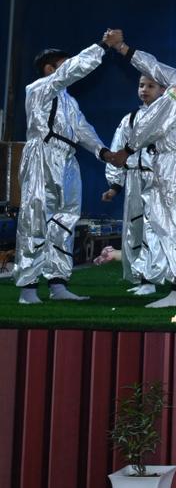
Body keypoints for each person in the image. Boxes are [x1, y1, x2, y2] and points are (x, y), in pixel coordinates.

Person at [103, 30, 176, 309]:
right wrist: (123, 48)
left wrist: (127, 151)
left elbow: (154, 121)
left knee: (172, 223)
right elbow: (155, 68)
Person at [14, 40, 120, 304]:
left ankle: (58, 284)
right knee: (35, 219)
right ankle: (28, 289)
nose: (70, 68)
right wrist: (102, 46)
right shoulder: (39, 88)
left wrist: (103, 152)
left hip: (68, 160)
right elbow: (73, 70)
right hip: (43, 154)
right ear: (50, 69)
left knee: (65, 221)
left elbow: (82, 129)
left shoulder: (69, 101)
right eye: (64, 65)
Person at [102, 74, 163, 293]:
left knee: (152, 227)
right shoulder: (129, 119)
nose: (144, 89)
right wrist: (114, 185)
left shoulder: (166, 116)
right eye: (141, 85)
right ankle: (138, 276)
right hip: (134, 178)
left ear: (162, 90)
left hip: (157, 179)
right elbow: (117, 149)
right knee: (134, 228)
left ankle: (150, 278)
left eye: (151, 86)